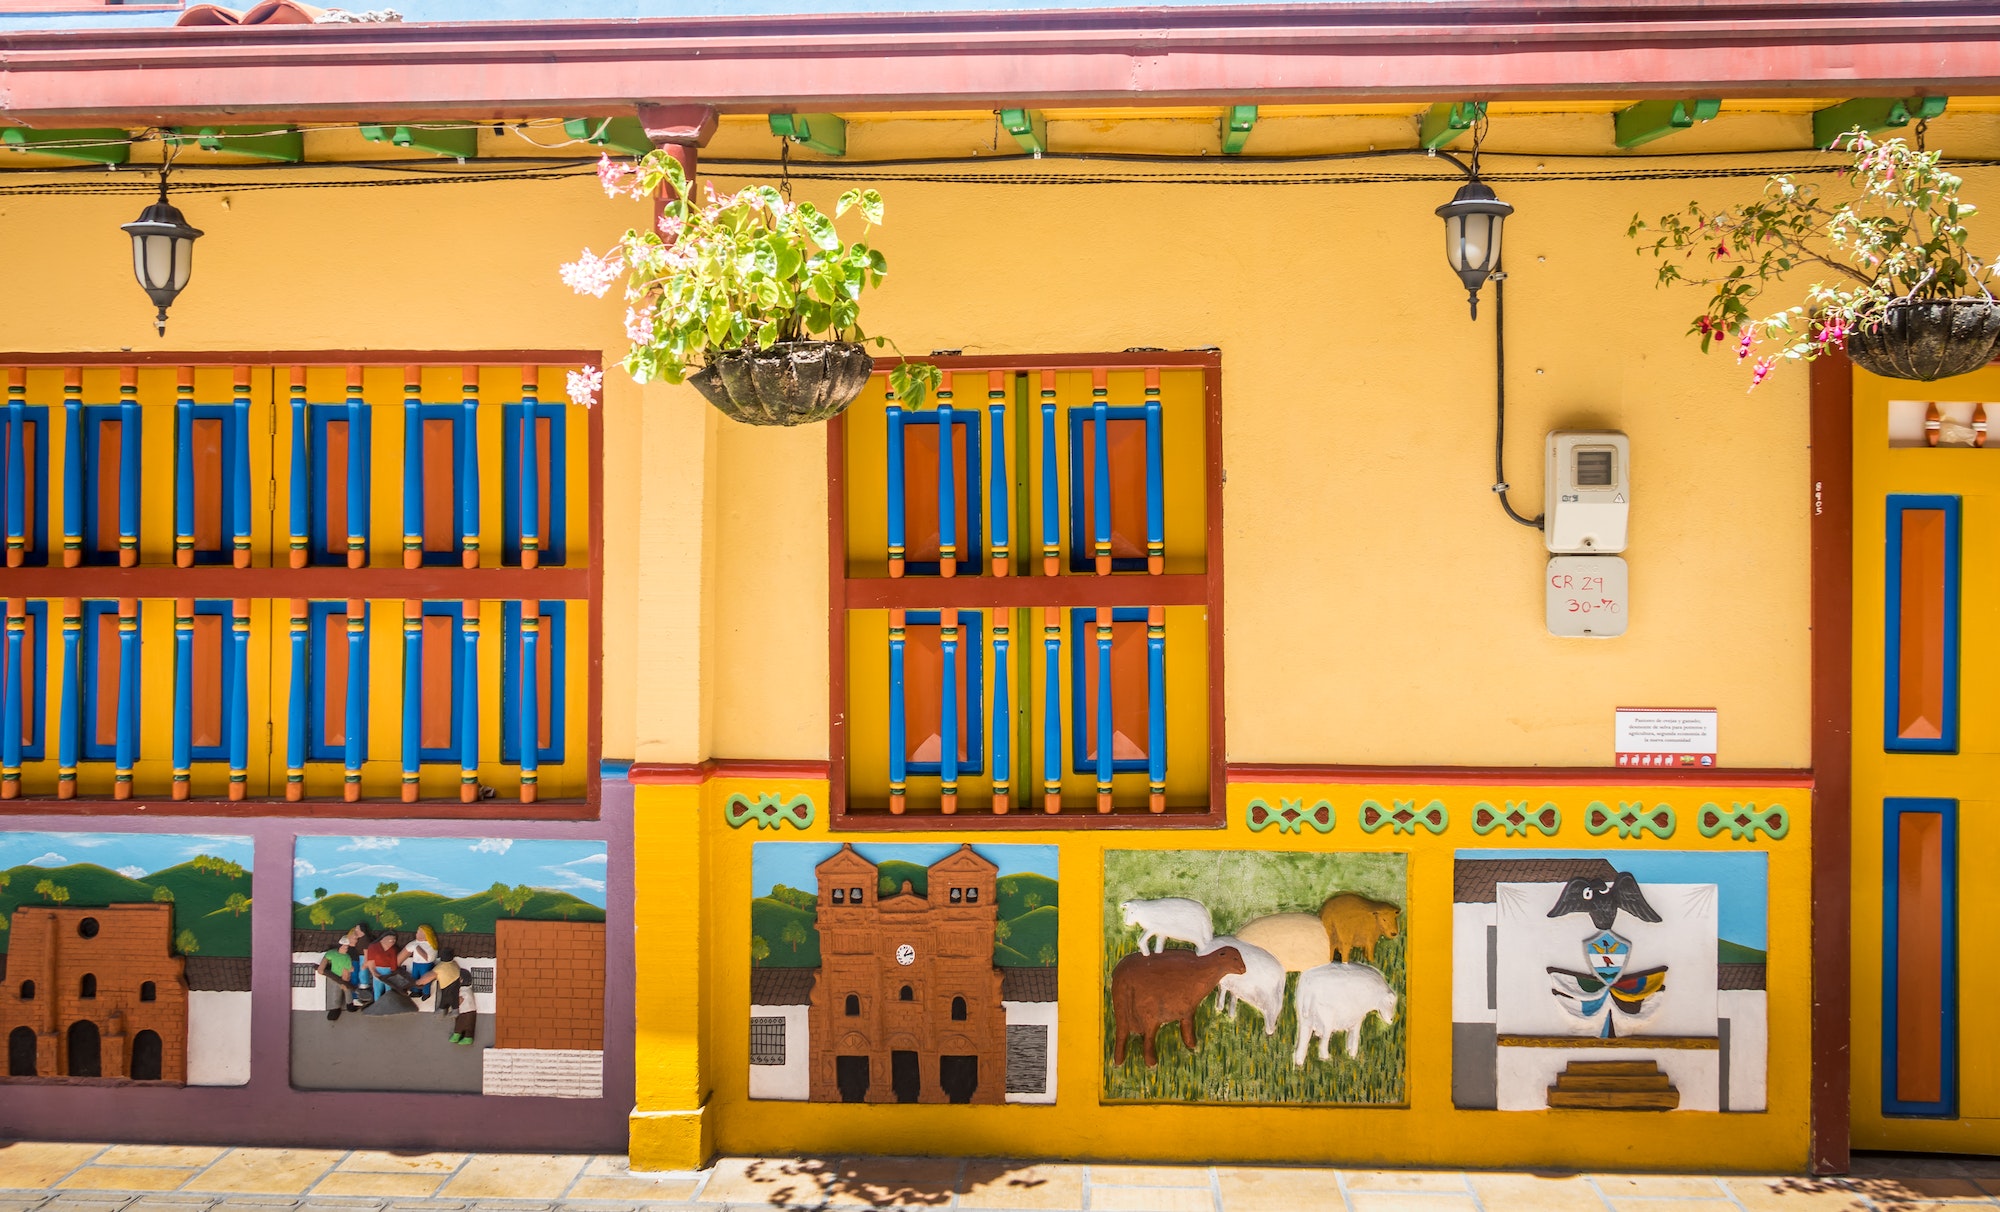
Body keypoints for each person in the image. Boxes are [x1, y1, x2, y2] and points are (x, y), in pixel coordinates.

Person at [414, 948, 476, 1045]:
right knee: (464, 1022)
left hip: (452, 993)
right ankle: (461, 1033)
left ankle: (461, 1034)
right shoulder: (454, 964)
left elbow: (428, 977)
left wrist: (418, 982)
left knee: (462, 1022)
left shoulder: (440, 967)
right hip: (463, 1004)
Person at [317, 938, 359, 1019]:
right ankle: (335, 1008)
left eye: (347, 948)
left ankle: (350, 1004)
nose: (346, 949)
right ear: (339, 946)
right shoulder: (332, 953)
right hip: (333, 976)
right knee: (335, 993)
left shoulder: (347, 957)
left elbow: (347, 969)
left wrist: (345, 979)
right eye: (344, 947)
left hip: (344, 977)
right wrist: (321, 968)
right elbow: (326, 959)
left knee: (347, 990)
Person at [400, 924, 439, 996]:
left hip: (425, 965)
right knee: (414, 977)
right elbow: (407, 949)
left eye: (419, 932)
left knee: (425, 979)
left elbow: (427, 958)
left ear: (425, 934)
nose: (416, 934)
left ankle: (426, 992)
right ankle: (415, 991)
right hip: (416, 964)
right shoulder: (415, 943)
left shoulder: (431, 945)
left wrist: (417, 948)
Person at [362, 930, 401, 1003]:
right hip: (377, 970)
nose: (392, 941)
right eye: (390, 939)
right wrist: (373, 972)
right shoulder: (373, 947)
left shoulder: (393, 949)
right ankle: (377, 1003)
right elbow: (370, 961)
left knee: (389, 989)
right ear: (383, 939)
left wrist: (393, 972)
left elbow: (393, 963)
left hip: (388, 971)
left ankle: (388, 1004)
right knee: (377, 989)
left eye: (394, 940)